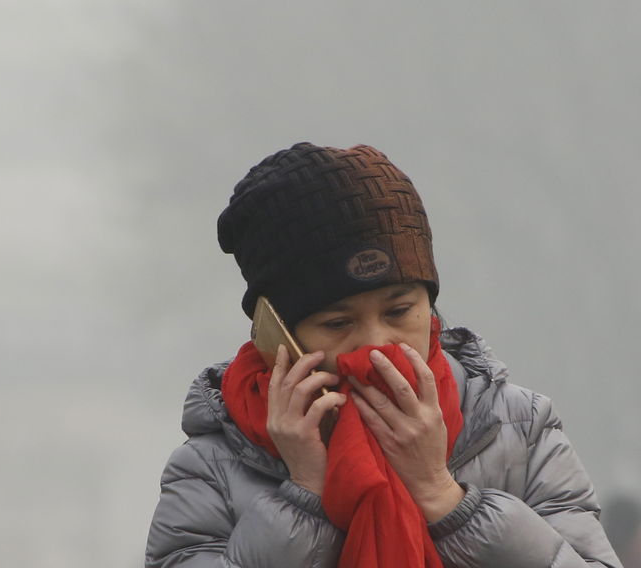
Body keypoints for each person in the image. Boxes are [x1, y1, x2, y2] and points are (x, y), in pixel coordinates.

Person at [145, 143, 621, 567]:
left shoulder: (517, 428)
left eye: (399, 310)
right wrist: (305, 494)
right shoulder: (215, 461)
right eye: (337, 323)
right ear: (279, 334)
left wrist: (443, 496)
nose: (375, 345)